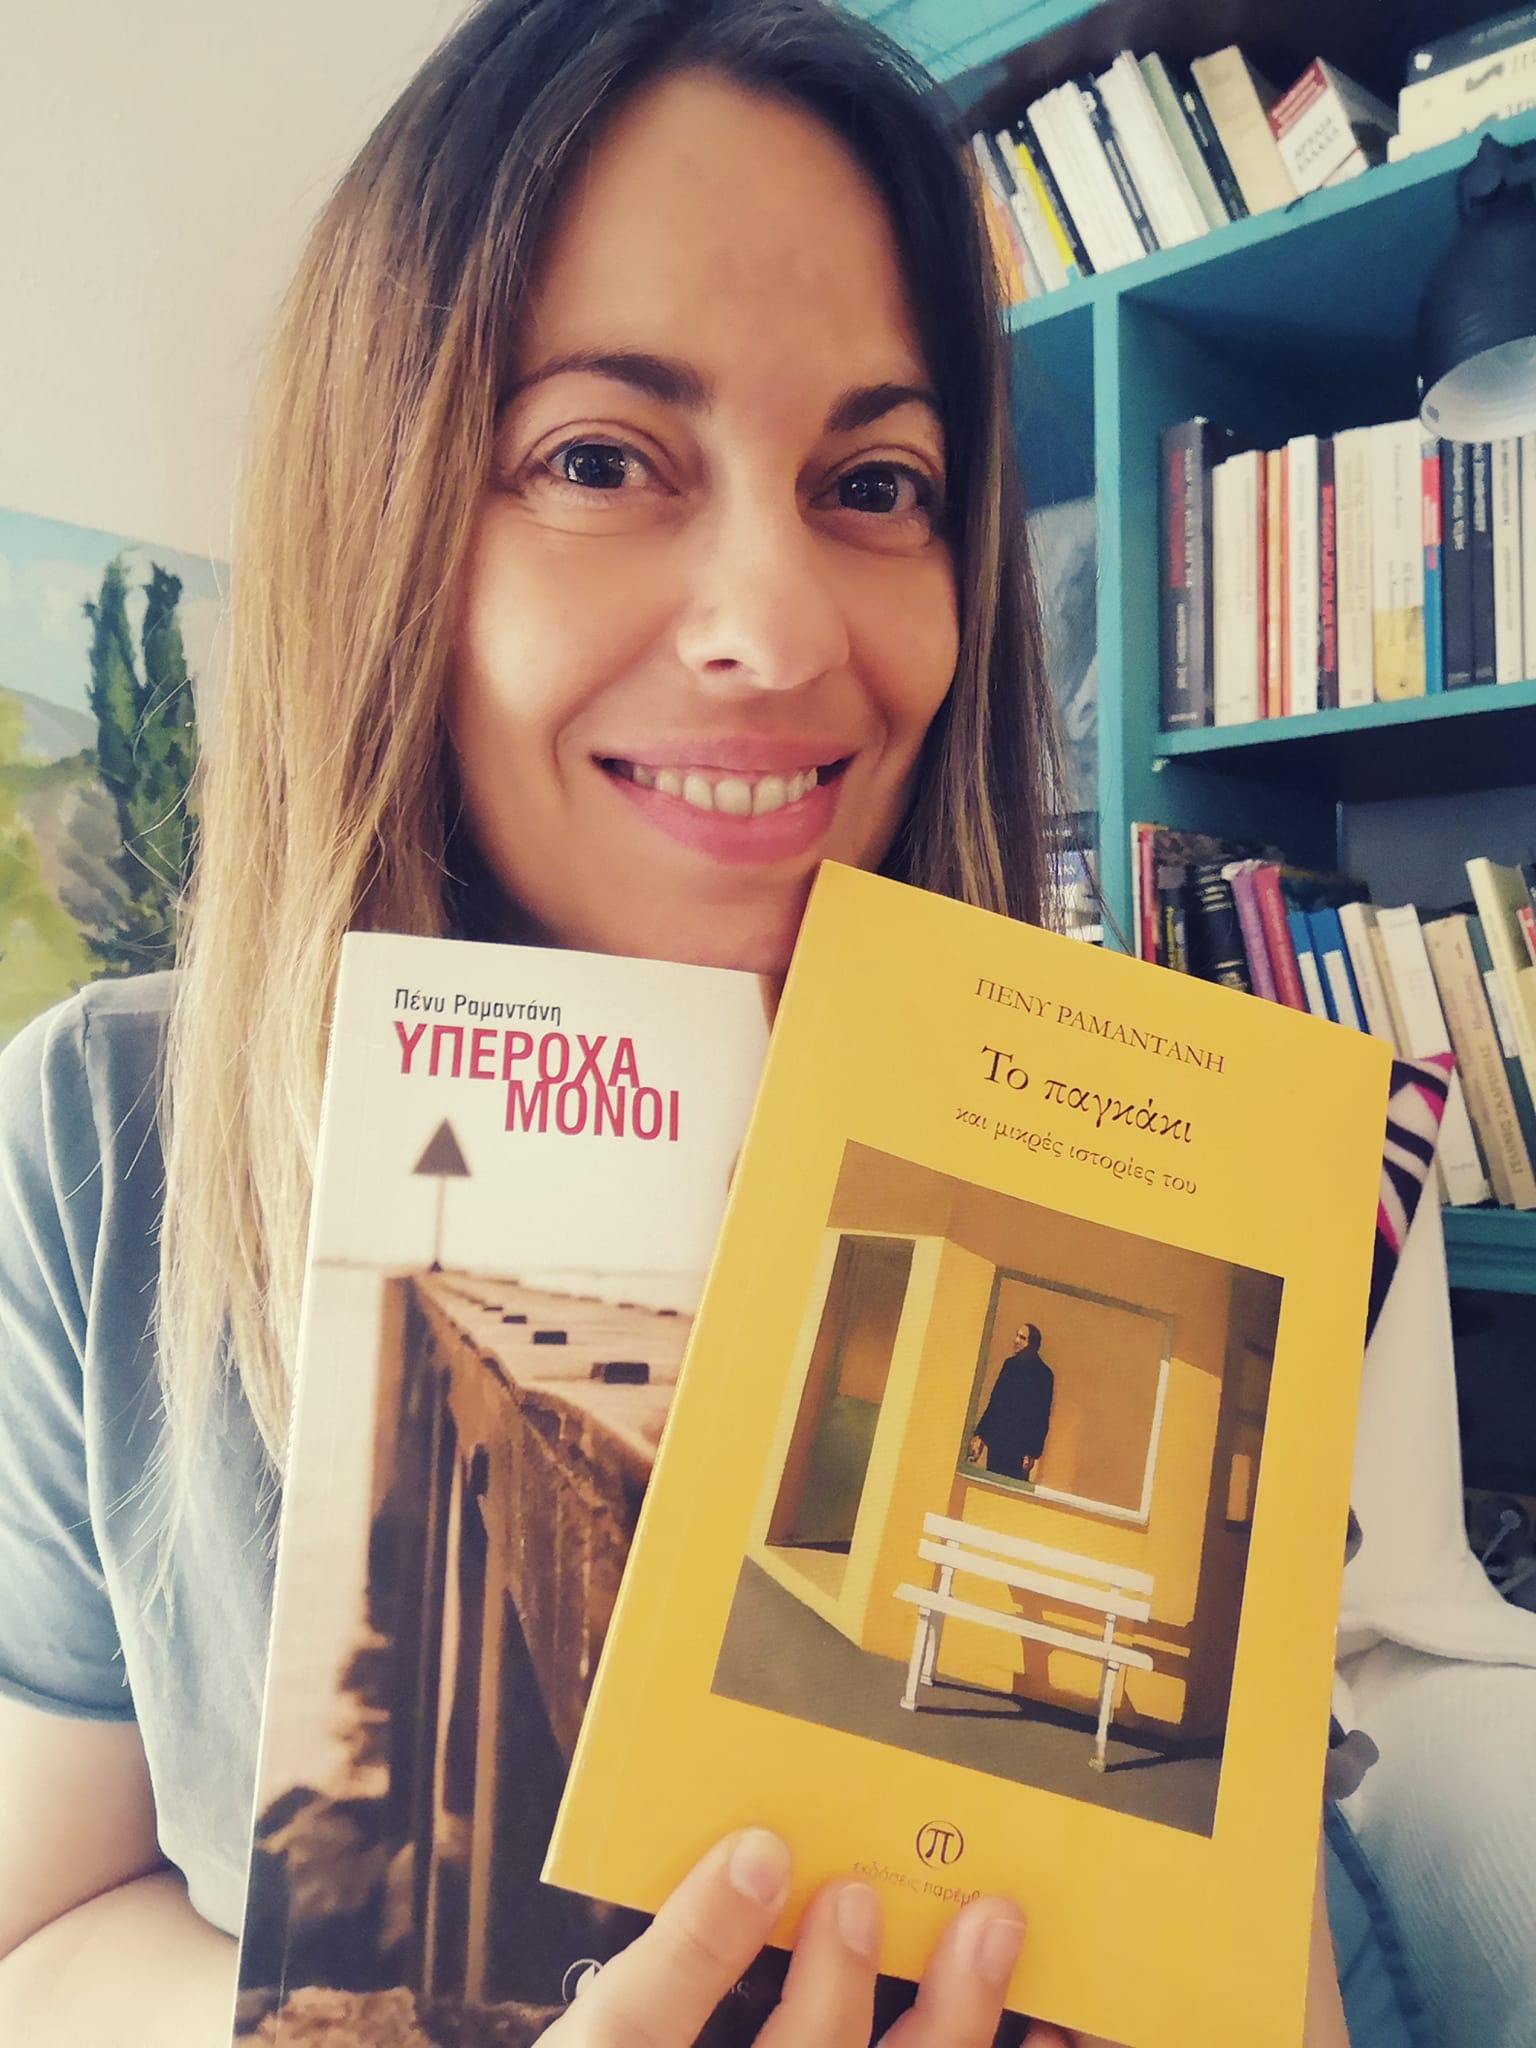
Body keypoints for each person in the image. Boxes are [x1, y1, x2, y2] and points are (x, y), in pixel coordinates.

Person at [0, 3, 1357, 2043]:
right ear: (388, 521)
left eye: (874, 481)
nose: (777, 627)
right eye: (600, 458)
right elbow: (42, 1930)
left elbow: (1263, 1982)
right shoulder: (102, 1139)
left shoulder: (1142, 1163)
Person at [970, 1325, 1054, 1482]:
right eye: (1017, 1336)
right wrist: (981, 1435)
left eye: (1022, 1338)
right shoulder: (1010, 1366)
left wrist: (1032, 1451)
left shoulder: (1044, 1375)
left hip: (1020, 1449)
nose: (1016, 1341)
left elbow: (1042, 1417)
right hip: (998, 1442)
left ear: (1032, 1343)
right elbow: (995, 1402)